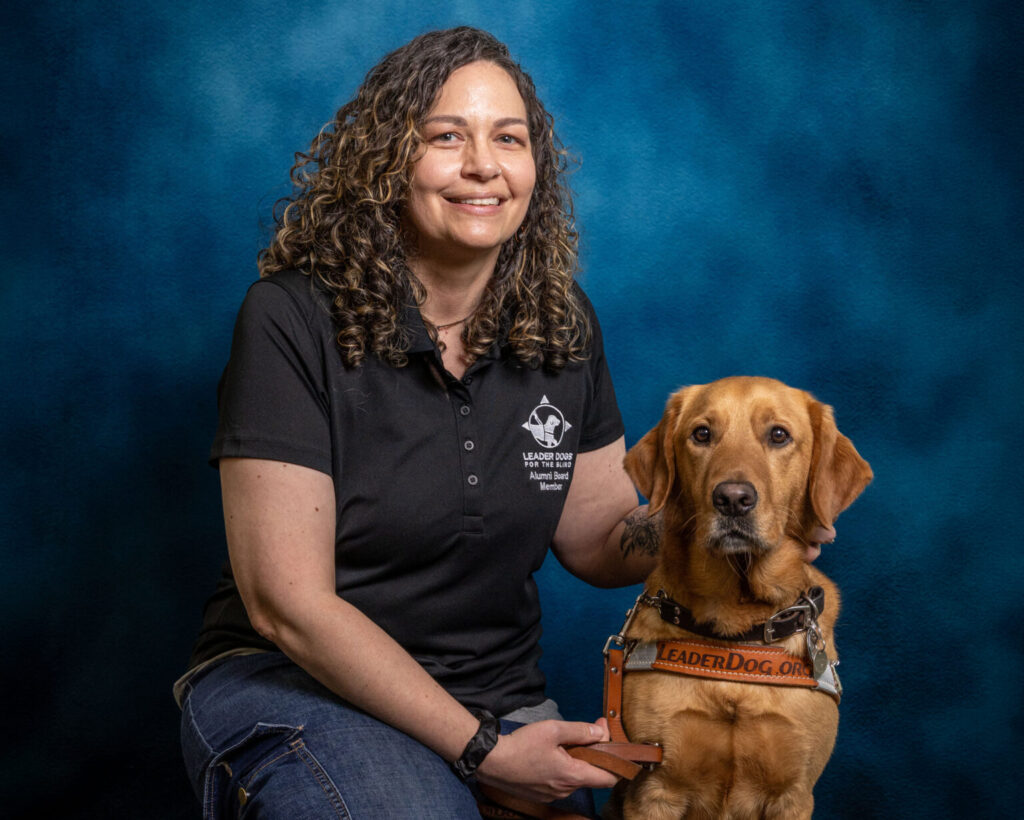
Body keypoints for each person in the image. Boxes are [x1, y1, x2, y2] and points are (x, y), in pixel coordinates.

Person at [176, 27, 662, 819]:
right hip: (300, 689)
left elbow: (600, 538)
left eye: (509, 138)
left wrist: (717, 520)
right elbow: (287, 605)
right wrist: (483, 749)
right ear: (386, 161)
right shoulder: (290, 319)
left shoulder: (561, 325)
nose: (483, 165)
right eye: (447, 137)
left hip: (499, 698)